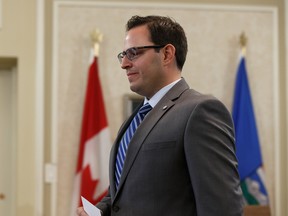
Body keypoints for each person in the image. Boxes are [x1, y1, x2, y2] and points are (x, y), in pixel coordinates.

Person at [77, 15, 244, 216]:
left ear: (166, 54)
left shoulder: (201, 111)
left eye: (134, 53)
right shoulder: (134, 120)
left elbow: (222, 208)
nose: (124, 64)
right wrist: (100, 210)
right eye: (124, 55)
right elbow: (124, 194)